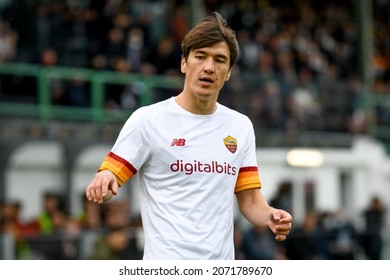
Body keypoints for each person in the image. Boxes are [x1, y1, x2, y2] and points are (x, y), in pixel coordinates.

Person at [86, 12, 293, 260]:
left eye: (219, 60)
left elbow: (249, 200)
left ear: (228, 72)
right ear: (184, 63)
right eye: (200, 56)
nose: (209, 67)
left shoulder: (240, 126)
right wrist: (105, 179)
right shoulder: (148, 120)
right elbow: (110, 179)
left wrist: (269, 215)